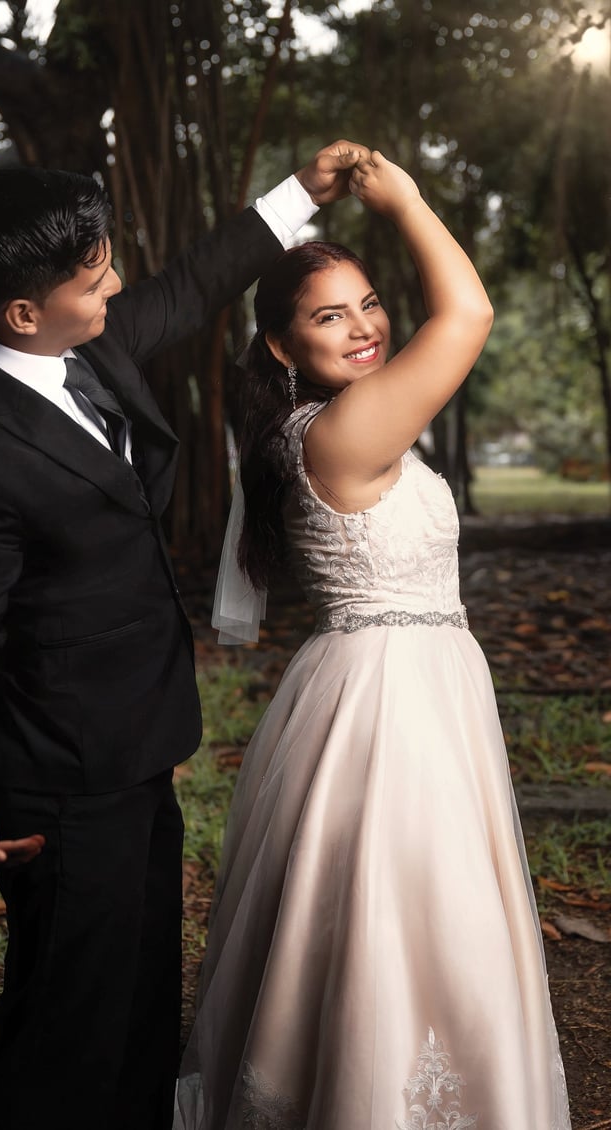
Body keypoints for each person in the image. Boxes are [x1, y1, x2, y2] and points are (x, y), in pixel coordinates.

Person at [0, 141, 367, 1130]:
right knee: (72, 1011)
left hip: (139, 736)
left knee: (145, 988)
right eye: (96, 272)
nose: (115, 281)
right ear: (24, 310)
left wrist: (299, 195)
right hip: (60, 771)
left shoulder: (85, 341)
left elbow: (192, 286)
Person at [175, 150, 572, 1129]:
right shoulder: (342, 432)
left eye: (367, 305)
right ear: (279, 346)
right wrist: (403, 200)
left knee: (400, 914)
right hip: (392, 705)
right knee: (407, 916)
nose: (363, 328)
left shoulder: (324, 426)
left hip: (399, 683)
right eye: (328, 315)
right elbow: (468, 317)